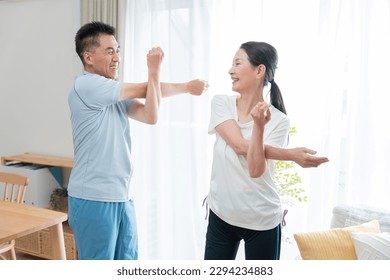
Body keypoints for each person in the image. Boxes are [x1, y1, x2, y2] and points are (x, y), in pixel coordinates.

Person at [67, 21, 207, 260]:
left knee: (129, 262)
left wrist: (159, 79)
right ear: (88, 57)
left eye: (117, 50)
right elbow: (146, 88)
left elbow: (150, 115)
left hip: (123, 194)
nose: (117, 57)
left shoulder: (112, 92)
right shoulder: (87, 85)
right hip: (94, 196)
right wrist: (162, 75)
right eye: (109, 51)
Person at [204, 41, 328, 260]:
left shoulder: (279, 121)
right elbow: (239, 145)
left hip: (261, 219)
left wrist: (259, 127)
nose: (230, 70)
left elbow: (255, 169)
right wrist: (290, 155)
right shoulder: (221, 103)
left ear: (259, 70)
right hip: (221, 214)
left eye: (237, 63)